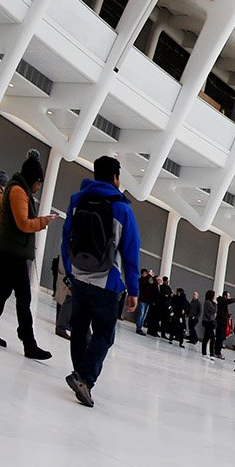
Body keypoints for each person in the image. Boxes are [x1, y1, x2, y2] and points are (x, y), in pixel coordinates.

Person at [60, 154, 141, 406]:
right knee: (104, 333)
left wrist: (70, 271)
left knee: (80, 328)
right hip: (107, 282)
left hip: (80, 275)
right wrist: (133, 289)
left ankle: (80, 375)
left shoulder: (77, 200)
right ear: (115, 178)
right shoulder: (122, 209)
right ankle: (84, 377)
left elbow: (66, 239)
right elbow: (130, 252)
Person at [0, 149, 56, 358]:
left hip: (11, 248)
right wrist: (43, 222)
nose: (39, 187)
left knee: (3, 289)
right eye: (38, 182)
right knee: (23, 296)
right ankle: (28, 342)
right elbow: (23, 223)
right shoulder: (18, 192)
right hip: (13, 250)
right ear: (33, 179)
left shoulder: (17, 190)